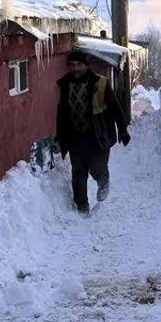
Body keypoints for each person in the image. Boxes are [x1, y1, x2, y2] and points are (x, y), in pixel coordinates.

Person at [56, 50, 130, 214]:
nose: (76, 69)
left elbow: (116, 109)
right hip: (76, 137)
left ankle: (103, 181)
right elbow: (61, 114)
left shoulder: (101, 84)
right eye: (72, 65)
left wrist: (123, 130)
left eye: (79, 65)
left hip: (99, 135)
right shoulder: (64, 86)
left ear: (86, 65)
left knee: (97, 168)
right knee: (78, 173)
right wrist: (60, 136)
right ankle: (82, 208)